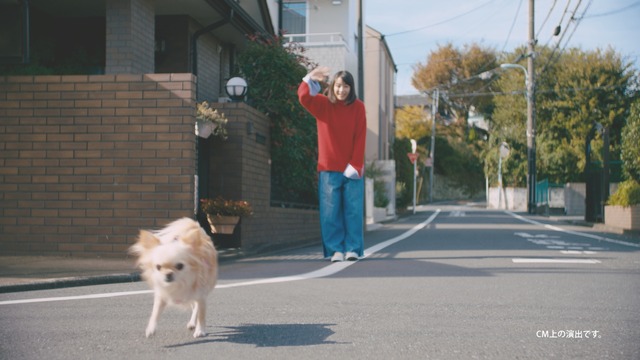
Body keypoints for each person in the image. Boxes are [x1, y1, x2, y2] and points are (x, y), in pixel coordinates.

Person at [298, 66, 366, 262]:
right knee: (330, 212)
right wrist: (309, 78)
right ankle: (335, 250)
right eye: (338, 86)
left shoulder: (358, 107)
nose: (341, 90)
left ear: (351, 88)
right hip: (328, 167)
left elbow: (360, 136)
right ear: (332, 87)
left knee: (353, 211)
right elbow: (304, 97)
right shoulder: (323, 104)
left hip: (352, 168)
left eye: (346, 86)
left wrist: (356, 164)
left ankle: (353, 248)